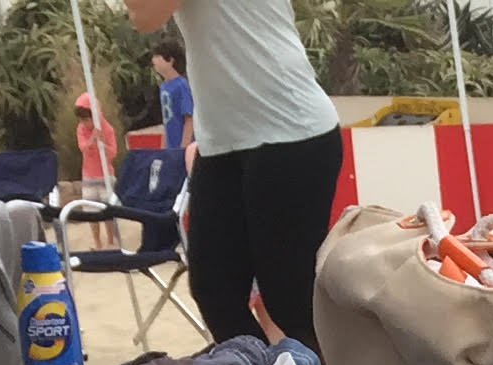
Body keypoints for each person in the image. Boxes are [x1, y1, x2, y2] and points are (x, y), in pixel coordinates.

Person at [127, 0, 339, 343]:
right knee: (216, 293)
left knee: (290, 302)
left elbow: (145, 14)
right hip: (223, 144)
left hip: (289, 134)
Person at [151, 38, 197, 172]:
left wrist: (183, 148)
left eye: (157, 56)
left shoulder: (181, 85)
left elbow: (189, 119)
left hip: (182, 148)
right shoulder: (163, 87)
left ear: (170, 60)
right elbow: (166, 122)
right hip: (170, 148)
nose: (153, 60)